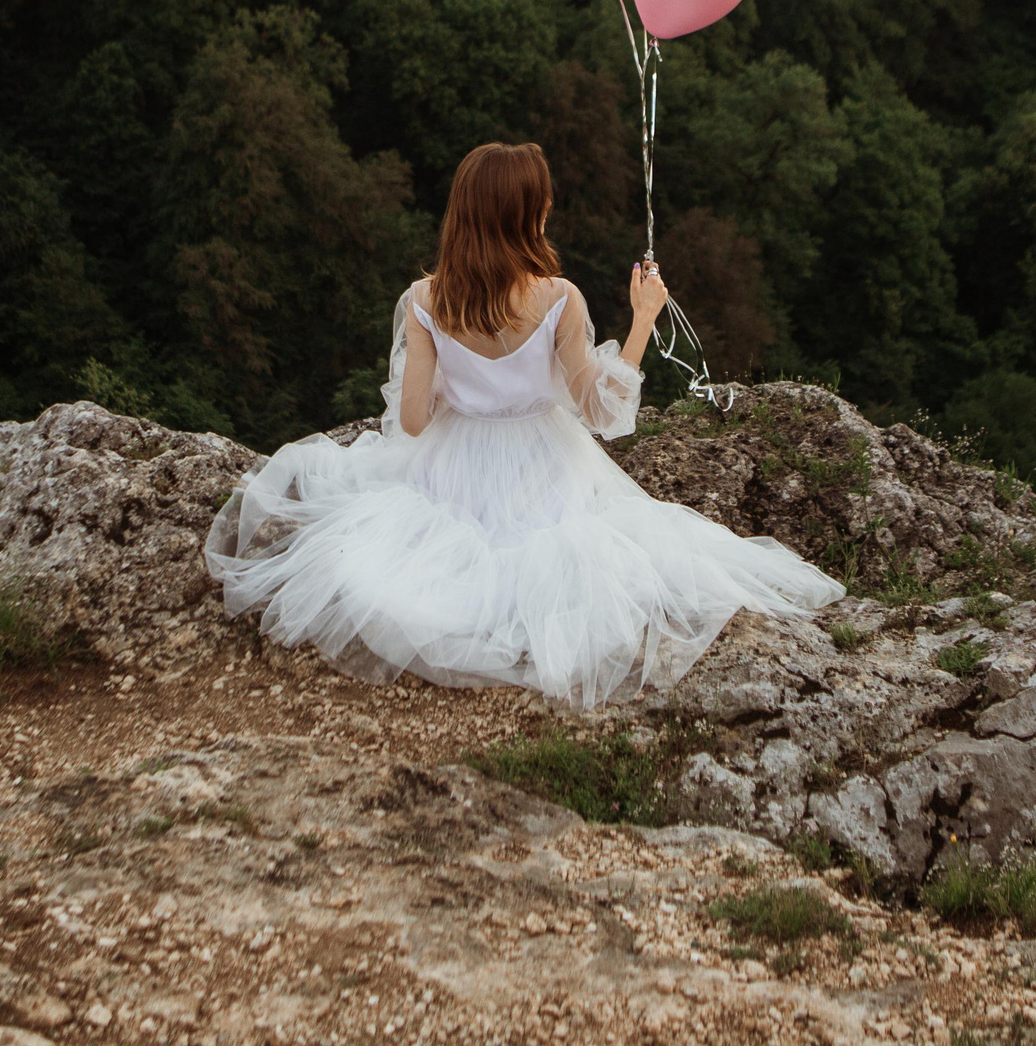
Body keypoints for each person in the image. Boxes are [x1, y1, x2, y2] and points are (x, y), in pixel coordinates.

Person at [203, 141, 843, 707]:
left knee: (421, 572)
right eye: (541, 204)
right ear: (523, 215)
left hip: (451, 463)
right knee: (578, 565)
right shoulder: (559, 297)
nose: (548, 212)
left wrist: (462, 378)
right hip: (547, 461)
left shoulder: (426, 299)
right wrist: (644, 316)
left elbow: (415, 420)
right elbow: (602, 414)